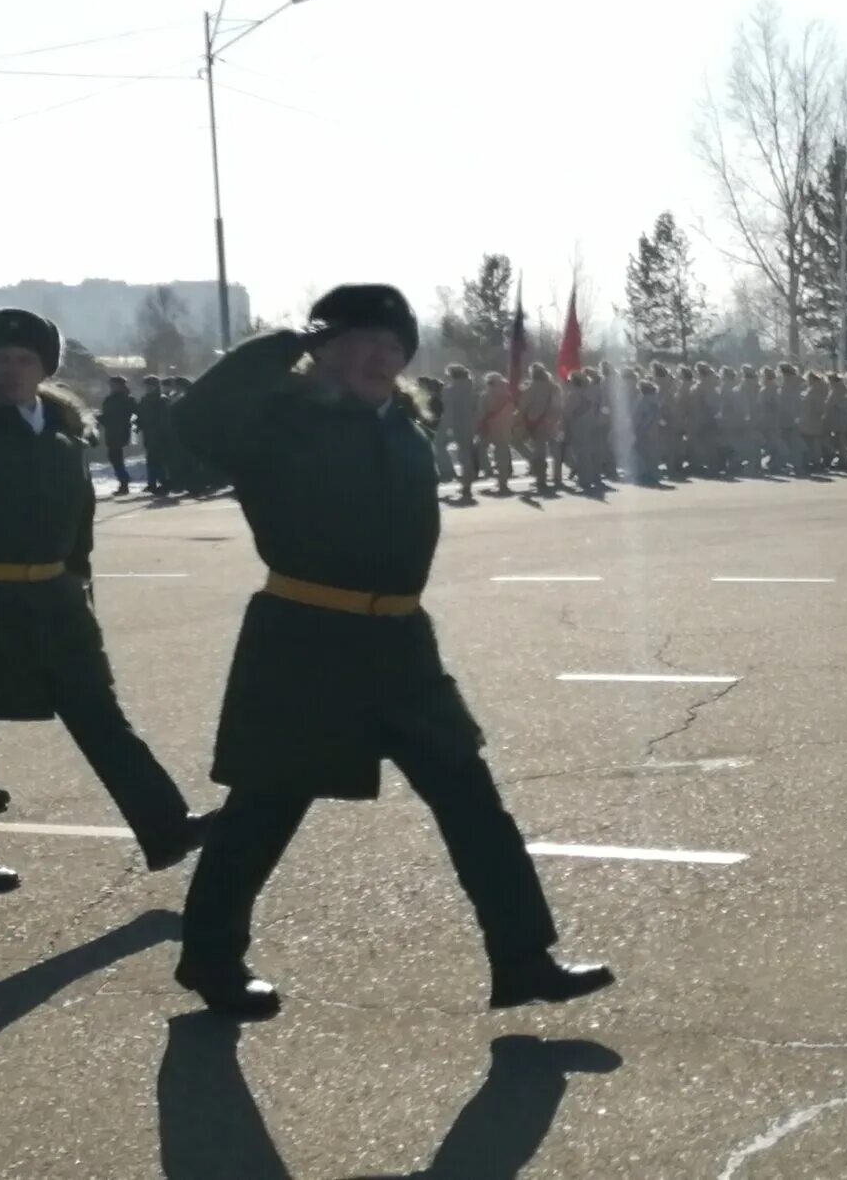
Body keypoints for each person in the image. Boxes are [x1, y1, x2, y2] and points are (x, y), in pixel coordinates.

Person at [168, 285, 613, 1019]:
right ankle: (210, 956)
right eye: (358, 341)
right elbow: (195, 422)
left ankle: (524, 958)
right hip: (306, 641)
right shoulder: (278, 421)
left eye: (392, 345)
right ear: (323, 350)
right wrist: (282, 342)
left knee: (472, 798)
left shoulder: (405, 425)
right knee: (265, 808)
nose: (379, 357)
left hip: (401, 644)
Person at [0, 308, 208, 895]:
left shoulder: (60, 427)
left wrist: (79, 585)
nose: (12, 369)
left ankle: (165, 827)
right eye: (0, 358)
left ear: (44, 367)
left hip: (54, 604)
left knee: (100, 715)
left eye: (25, 359)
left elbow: (79, 519)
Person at [516, 364, 562, 495]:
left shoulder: (531, 388)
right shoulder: (555, 388)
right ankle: (557, 477)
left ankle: (540, 478)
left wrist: (517, 420)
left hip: (535, 423)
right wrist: (553, 420)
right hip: (551, 422)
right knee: (555, 450)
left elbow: (522, 407)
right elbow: (558, 406)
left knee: (538, 450)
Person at [477, 372, 519, 498]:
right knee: (503, 455)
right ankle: (503, 483)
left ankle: (488, 470)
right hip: (505, 428)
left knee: (480, 449)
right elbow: (512, 411)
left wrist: (478, 426)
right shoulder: (508, 396)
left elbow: (481, 413)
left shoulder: (486, 396)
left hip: (490, 428)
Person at [442, 364, 481, 498]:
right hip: (471, 424)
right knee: (467, 452)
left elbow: (449, 411)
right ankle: (468, 482)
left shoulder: (449, 390)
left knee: (463, 455)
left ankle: (465, 483)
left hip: (458, 424)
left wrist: (448, 426)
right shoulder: (472, 388)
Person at [100, 375, 138, 496]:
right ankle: (124, 481)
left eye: (114, 385)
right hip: (111, 431)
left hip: (120, 432)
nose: (111, 387)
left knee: (116, 458)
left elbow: (133, 415)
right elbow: (106, 416)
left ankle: (124, 482)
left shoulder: (127, 400)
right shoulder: (109, 399)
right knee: (114, 458)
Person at [137, 374, 173, 497]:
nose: (148, 388)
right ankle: (152, 483)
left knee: (160, 461)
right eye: (146, 386)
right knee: (151, 460)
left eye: (150, 386)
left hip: (160, 435)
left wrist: (163, 433)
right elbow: (140, 415)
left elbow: (165, 419)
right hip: (148, 434)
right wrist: (138, 423)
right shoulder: (144, 400)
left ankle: (165, 483)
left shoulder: (162, 400)